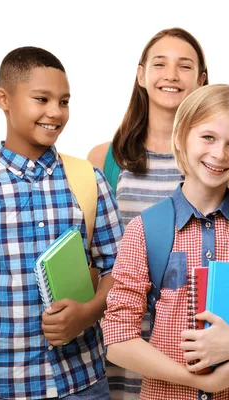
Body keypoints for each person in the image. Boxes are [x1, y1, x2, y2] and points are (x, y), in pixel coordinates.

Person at [0, 46, 124, 400]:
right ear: (4, 99)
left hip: (82, 383)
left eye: (64, 101)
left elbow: (120, 269)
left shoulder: (89, 181)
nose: (55, 112)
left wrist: (87, 313)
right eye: (41, 99)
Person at [102, 84, 229, 400]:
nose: (219, 154)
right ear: (180, 137)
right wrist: (200, 382)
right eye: (208, 137)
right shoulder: (145, 230)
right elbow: (118, 340)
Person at [86, 27, 208, 399]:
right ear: (141, 74)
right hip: (119, 339)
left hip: (188, 343)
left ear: (201, 80)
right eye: (160, 64)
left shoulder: (215, 161)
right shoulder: (105, 159)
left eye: (184, 66)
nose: (171, 75)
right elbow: (93, 258)